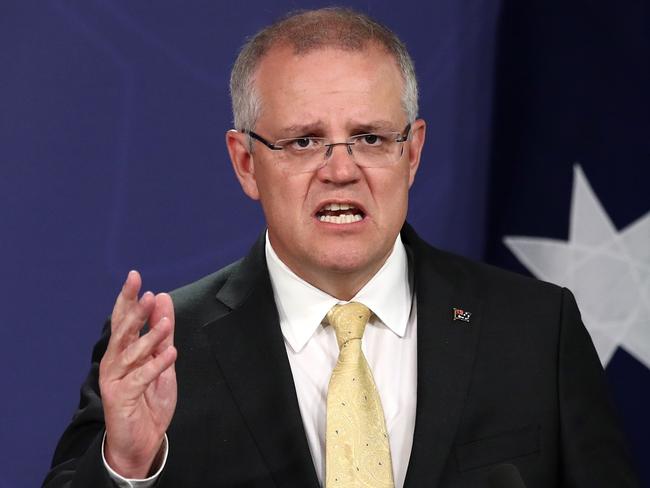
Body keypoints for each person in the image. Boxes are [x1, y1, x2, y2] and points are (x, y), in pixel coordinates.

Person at [43, 7, 638, 488]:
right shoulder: (167, 348)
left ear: (412, 153)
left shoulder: (535, 329)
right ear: (246, 163)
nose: (341, 170)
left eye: (370, 138)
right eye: (304, 141)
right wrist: (124, 468)